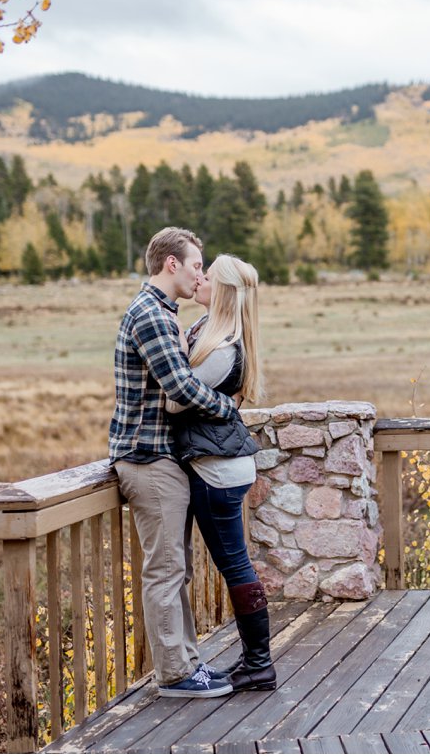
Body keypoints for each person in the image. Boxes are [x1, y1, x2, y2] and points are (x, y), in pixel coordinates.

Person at [108, 227, 236, 699]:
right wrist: (227, 408)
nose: (202, 274)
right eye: (197, 265)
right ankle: (176, 675)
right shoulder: (151, 315)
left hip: (161, 457)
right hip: (148, 458)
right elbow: (180, 388)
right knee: (164, 570)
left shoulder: (164, 313)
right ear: (172, 265)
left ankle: (188, 662)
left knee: (173, 568)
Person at [168, 254, 276, 692]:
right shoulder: (211, 332)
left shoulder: (222, 346)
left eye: (207, 276)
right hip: (221, 467)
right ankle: (254, 661)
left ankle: (260, 662)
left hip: (217, 473)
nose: (199, 279)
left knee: (235, 567)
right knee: (236, 565)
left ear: (224, 290)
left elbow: (177, 401)